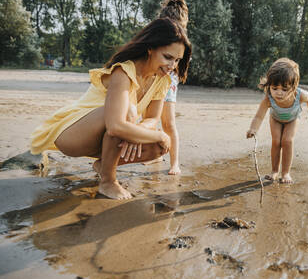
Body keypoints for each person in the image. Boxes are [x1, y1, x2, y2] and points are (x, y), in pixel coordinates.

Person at [30, 18, 192, 199]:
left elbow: (152, 119)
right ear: (150, 48)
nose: (172, 66)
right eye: (168, 57)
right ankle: (108, 182)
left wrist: (137, 131)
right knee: (130, 116)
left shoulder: (162, 80)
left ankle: (104, 165)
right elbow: (116, 126)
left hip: (105, 136)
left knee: (158, 148)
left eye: (177, 60)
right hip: (72, 134)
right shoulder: (123, 71)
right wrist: (159, 134)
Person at [246, 58, 308, 184]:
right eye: (274, 88)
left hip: (292, 119)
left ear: (293, 87)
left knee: (287, 141)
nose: (279, 93)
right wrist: (253, 129)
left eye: (284, 89)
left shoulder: (300, 95)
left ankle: (285, 173)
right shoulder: (269, 98)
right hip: (275, 119)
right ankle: (274, 171)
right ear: (269, 85)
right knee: (276, 142)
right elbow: (259, 116)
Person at [156, 0, 189, 175]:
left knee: (168, 123)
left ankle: (175, 162)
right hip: (152, 78)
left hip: (169, 81)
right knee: (150, 119)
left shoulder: (182, 42)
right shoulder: (156, 37)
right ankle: (155, 155)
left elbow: (180, 64)